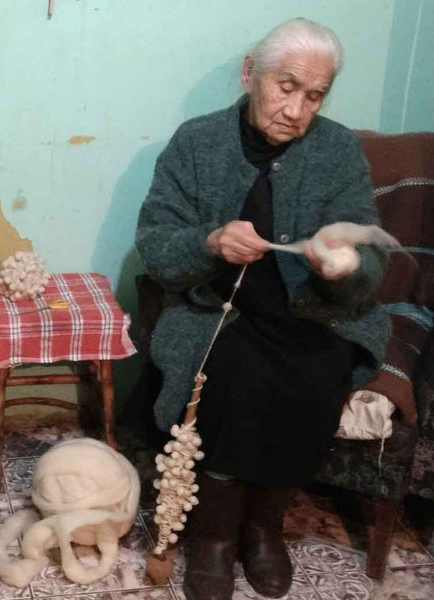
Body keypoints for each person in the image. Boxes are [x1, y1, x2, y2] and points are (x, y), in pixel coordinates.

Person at [134, 18, 390, 600]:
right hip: (219, 311)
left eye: (314, 95)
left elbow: (371, 259)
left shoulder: (338, 150)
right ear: (251, 73)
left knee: (320, 372)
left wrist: (345, 265)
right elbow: (156, 243)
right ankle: (216, 535)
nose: (296, 110)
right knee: (232, 373)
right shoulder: (196, 142)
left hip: (313, 315)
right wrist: (210, 243)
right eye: (286, 86)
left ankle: (263, 530)